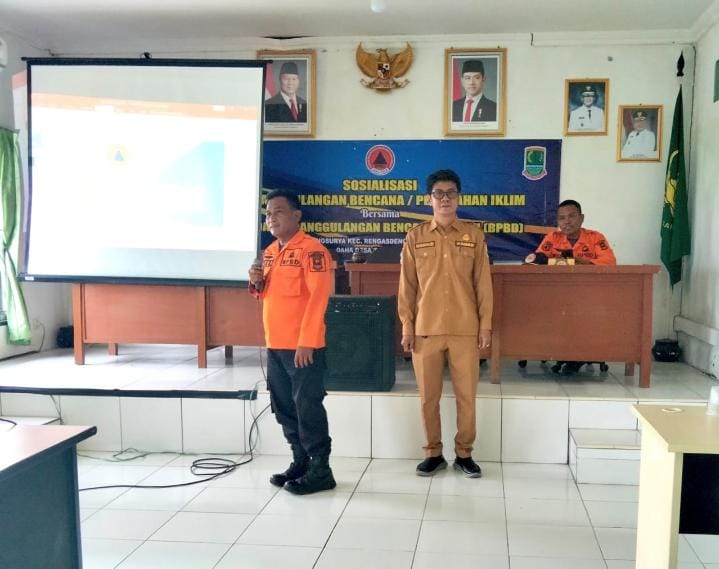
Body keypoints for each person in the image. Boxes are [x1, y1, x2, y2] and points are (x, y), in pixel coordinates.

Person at [398, 169, 493, 478]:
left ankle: (464, 454)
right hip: (425, 330)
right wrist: (407, 326)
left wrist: (485, 325)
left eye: (451, 193)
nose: (445, 199)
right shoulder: (415, 237)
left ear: (459, 198)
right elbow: (407, 286)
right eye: (438, 194)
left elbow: (483, 284)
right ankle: (433, 453)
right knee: (429, 398)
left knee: (467, 397)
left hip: (465, 329)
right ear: (429, 199)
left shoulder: (474, 236)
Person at [247, 189, 335, 495]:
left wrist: (307, 341)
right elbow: (266, 294)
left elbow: (319, 298)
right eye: (268, 213)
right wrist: (256, 283)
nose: (271, 218)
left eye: (278, 211)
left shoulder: (312, 251)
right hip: (276, 345)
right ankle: (300, 462)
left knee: (307, 406)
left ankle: (321, 470)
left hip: (303, 347)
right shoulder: (270, 252)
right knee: (284, 406)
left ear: (297, 215)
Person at [535, 199, 617, 375]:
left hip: (590, 294)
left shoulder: (595, 237)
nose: (567, 222)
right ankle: (564, 352)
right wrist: (560, 261)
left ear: (582, 218)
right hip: (558, 294)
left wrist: (581, 262)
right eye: (562, 218)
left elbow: (609, 262)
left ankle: (577, 356)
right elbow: (538, 260)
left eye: (571, 216)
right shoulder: (553, 238)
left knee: (584, 316)